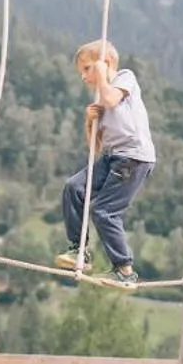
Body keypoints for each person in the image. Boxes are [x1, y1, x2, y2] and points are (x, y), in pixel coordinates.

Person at [57, 38, 156, 288]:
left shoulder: (124, 78)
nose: (83, 77)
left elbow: (112, 100)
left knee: (103, 211)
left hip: (133, 157)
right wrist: (89, 122)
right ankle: (79, 250)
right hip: (111, 155)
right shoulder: (102, 95)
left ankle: (124, 269)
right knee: (74, 187)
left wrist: (102, 77)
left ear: (106, 63)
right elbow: (96, 146)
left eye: (87, 69)